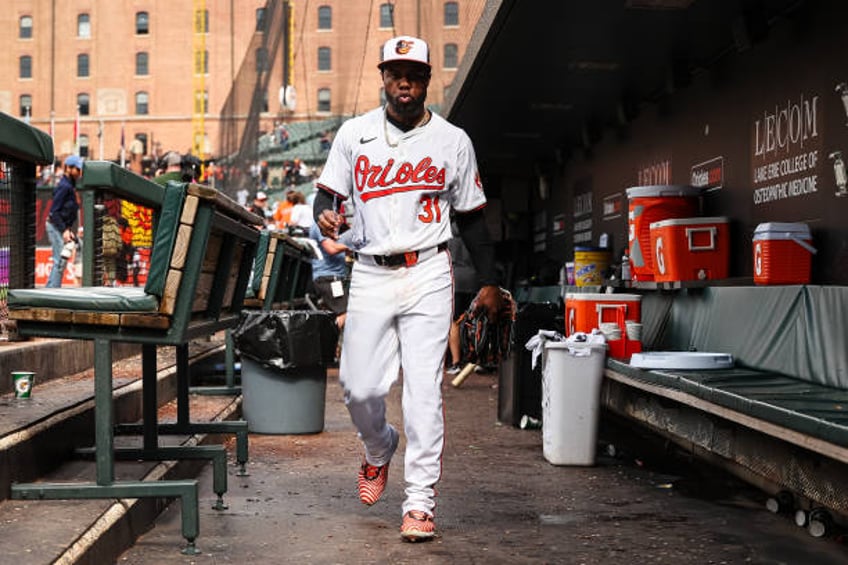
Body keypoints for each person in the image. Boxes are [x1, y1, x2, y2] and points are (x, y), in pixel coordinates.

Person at [313, 35, 502, 542]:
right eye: (396, 72)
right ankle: (378, 447)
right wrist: (326, 217)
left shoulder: (452, 140)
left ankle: (419, 503)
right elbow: (325, 198)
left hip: (428, 272)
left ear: (426, 81)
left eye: (414, 74)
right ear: (384, 78)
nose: (404, 82)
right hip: (371, 270)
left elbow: (473, 218)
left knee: (424, 392)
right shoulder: (354, 135)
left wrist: (489, 281)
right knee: (359, 386)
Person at [445, 219, 478, 374]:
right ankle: (476, 360)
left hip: (456, 280)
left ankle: (456, 363)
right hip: (473, 279)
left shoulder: (447, 235)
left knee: (454, 322)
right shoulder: (473, 235)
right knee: (474, 320)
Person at [46, 155, 83, 288]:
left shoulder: (70, 185)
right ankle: (51, 294)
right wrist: (64, 230)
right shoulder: (64, 186)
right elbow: (54, 212)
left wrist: (67, 229)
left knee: (61, 261)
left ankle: (49, 291)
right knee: (59, 261)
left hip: (61, 226)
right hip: (55, 225)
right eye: (77, 169)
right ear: (68, 168)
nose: (79, 172)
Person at [308, 222, 350, 330]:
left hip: (332, 277)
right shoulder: (320, 225)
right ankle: (329, 342)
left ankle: (331, 343)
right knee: (344, 313)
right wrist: (354, 246)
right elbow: (332, 249)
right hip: (329, 278)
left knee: (335, 314)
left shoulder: (333, 227)